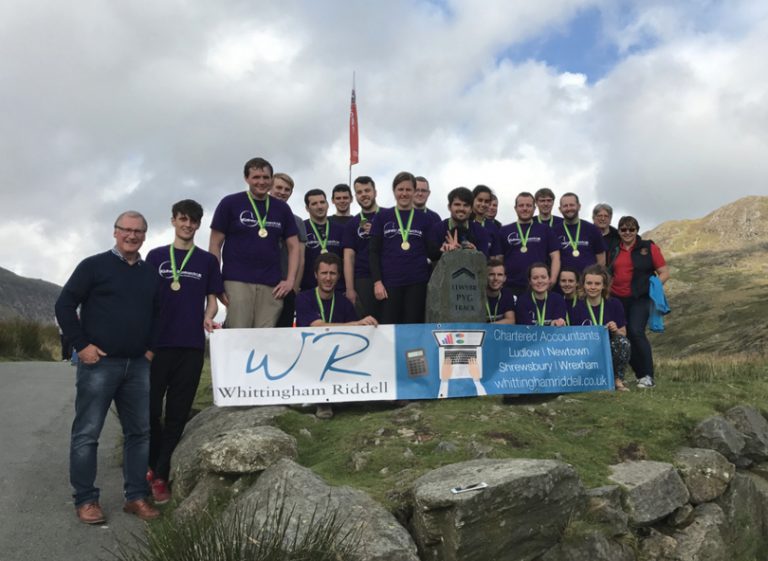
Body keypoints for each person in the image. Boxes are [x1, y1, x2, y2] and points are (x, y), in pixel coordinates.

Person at [55, 210, 160, 524]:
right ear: (115, 232)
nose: (131, 236)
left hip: (138, 366)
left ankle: (136, 497)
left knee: (140, 433)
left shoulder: (150, 273)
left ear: (145, 235)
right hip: (99, 365)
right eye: (125, 230)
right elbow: (64, 304)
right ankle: (86, 500)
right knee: (87, 434)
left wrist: (151, 350)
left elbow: (159, 313)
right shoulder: (93, 266)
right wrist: (81, 345)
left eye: (138, 231)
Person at [144, 200, 223, 504]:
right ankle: (149, 464)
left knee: (177, 415)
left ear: (199, 225)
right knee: (150, 412)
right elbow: (145, 299)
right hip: (157, 347)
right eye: (183, 219)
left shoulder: (206, 261)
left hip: (190, 346)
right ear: (173, 221)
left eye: (193, 221)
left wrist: (209, 314)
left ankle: (161, 475)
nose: (188, 225)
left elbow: (213, 299)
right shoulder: (156, 256)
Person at [209, 157, 299, 328]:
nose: (261, 182)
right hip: (237, 280)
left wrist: (290, 280)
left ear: (271, 179)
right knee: (238, 334)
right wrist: (216, 281)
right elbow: (215, 245)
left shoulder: (282, 209)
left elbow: (294, 247)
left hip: (271, 284)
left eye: (266, 177)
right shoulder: (230, 203)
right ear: (247, 179)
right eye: (256, 177)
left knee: (264, 339)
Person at [295, 253, 378, 418]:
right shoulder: (304, 298)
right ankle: (323, 402)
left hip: (339, 355)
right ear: (315, 275)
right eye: (324, 273)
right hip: (309, 354)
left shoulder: (344, 302)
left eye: (332, 273)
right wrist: (355, 324)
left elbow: (356, 335)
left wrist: (368, 326)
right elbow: (316, 326)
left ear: (339, 276)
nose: (328, 278)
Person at [609, 216, 669, 388]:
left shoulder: (648, 247)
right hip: (617, 299)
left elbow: (664, 272)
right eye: (623, 229)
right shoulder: (614, 249)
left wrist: (654, 288)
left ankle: (648, 375)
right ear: (619, 231)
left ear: (637, 230)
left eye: (631, 229)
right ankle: (639, 375)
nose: (627, 232)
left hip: (640, 298)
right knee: (623, 335)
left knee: (636, 332)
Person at [369, 171, 432, 324]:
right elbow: (373, 252)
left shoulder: (425, 219)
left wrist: (448, 248)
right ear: (394, 191)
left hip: (417, 282)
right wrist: (377, 281)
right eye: (400, 189)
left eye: (408, 190)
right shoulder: (382, 217)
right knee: (389, 327)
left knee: (413, 326)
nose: (404, 194)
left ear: (414, 191)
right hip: (389, 284)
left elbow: (432, 250)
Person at [572, 265, 631, 392]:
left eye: (597, 284)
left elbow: (623, 333)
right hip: (585, 349)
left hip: (606, 348)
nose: (593, 287)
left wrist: (615, 330)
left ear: (604, 286)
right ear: (583, 284)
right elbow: (571, 336)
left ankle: (617, 379)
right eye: (589, 283)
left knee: (623, 342)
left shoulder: (614, 304)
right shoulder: (577, 306)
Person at [497, 192, 561, 296]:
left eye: (528, 205)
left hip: (538, 285)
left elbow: (555, 257)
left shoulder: (546, 230)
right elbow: (499, 260)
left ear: (534, 208)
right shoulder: (504, 231)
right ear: (515, 208)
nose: (525, 208)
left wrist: (553, 279)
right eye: (521, 206)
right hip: (511, 286)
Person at [271, 172, 308, 328]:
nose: (282, 192)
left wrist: (293, 287)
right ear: (269, 188)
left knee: (283, 330)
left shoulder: (297, 221)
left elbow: (301, 257)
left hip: (286, 286)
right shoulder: (257, 216)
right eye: (279, 187)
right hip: (262, 284)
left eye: (287, 189)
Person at [343, 175, 381, 319]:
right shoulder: (352, 224)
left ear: (375, 192)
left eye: (367, 190)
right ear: (356, 196)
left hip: (388, 277)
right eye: (359, 192)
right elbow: (348, 257)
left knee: (389, 321)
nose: (364, 195)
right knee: (367, 323)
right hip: (363, 279)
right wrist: (350, 289)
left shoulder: (388, 216)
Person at [427, 187, 491, 261]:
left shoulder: (481, 232)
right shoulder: (437, 229)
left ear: (471, 209)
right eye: (457, 204)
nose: (461, 209)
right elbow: (430, 257)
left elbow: (484, 262)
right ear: (449, 207)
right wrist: (443, 251)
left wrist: (475, 252)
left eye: (465, 205)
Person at [300, 189, 345, 291]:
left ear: (328, 204)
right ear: (307, 208)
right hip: (308, 288)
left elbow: (345, 260)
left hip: (336, 289)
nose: (319, 206)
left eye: (322, 202)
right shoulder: (301, 227)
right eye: (314, 203)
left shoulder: (341, 229)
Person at [555, 192, 606, 272]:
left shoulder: (593, 229)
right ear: (560, 209)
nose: (569, 208)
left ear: (579, 206)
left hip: (587, 282)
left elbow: (601, 258)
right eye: (565, 206)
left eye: (572, 205)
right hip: (565, 282)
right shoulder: (554, 231)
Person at [471, 185, 501, 256]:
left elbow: (495, 255)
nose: (483, 204)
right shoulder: (463, 222)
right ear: (472, 200)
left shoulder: (493, 227)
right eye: (480, 200)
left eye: (486, 201)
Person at [486, 258, 515, 324]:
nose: (496, 278)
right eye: (491, 274)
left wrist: (490, 326)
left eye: (500, 275)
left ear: (504, 278)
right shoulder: (477, 295)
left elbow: (511, 320)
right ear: (484, 276)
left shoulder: (507, 295)